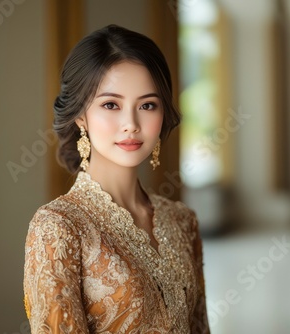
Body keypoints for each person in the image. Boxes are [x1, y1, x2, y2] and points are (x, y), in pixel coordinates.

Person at [23, 24, 210, 333]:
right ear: (81, 115)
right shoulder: (57, 227)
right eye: (111, 104)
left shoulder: (182, 221)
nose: (131, 124)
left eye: (147, 105)